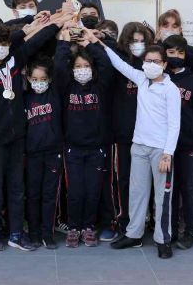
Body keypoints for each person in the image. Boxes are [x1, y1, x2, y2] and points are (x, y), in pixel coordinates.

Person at [0, 14, 69, 252]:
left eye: (4, 44)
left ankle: (16, 232)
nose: (1, 48)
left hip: (17, 138)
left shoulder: (15, 61)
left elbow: (36, 41)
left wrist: (57, 23)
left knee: (17, 188)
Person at [105, 40, 180, 259]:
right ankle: (134, 234)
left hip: (160, 151)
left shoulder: (171, 89)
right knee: (137, 193)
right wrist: (94, 40)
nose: (151, 65)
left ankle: (162, 239)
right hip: (139, 147)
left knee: (162, 196)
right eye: (147, 61)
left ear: (164, 64)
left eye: (156, 61)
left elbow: (174, 124)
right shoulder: (141, 79)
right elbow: (118, 63)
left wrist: (168, 153)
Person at [54, 25, 113, 248]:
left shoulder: (100, 86)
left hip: (96, 148)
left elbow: (105, 64)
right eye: (78, 66)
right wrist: (63, 41)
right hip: (73, 149)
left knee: (93, 191)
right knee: (75, 191)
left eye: (86, 66)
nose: (82, 70)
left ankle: (88, 226)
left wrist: (91, 43)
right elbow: (59, 67)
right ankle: (74, 227)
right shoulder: (66, 87)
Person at [163, 35, 193, 250]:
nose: (176, 56)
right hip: (165, 146)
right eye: (171, 52)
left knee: (189, 188)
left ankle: (191, 230)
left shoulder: (192, 79)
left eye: (180, 53)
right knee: (169, 189)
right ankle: (171, 228)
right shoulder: (160, 78)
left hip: (188, 143)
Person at [110, 22, 155, 236]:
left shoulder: (151, 65)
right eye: (133, 41)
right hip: (124, 133)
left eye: (141, 41)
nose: (138, 45)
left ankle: (148, 217)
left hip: (149, 135)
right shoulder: (118, 64)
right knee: (125, 179)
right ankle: (125, 218)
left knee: (149, 180)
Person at [24, 59, 63, 250]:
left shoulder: (54, 94)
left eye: (43, 79)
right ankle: (33, 233)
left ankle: (48, 233)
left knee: (49, 194)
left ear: (49, 79)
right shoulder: (24, 98)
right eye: (34, 79)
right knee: (33, 195)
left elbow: (60, 65)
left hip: (53, 153)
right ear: (28, 79)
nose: (39, 82)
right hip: (32, 154)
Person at [156, 9, 193, 76]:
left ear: (180, 30)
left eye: (174, 27)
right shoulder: (152, 52)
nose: (170, 30)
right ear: (158, 29)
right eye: (166, 26)